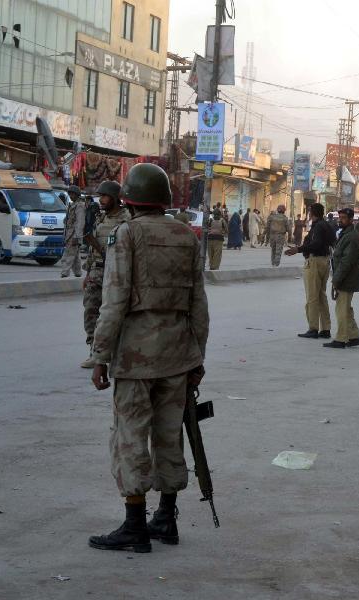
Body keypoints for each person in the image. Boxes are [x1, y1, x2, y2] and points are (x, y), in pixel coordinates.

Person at [88, 162, 209, 553]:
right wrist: (197, 357)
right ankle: (166, 520)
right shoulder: (186, 236)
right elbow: (198, 305)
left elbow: (114, 300)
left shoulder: (126, 234)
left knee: (130, 437)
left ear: (130, 200)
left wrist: (100, 356)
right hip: (178, 355)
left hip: (136, 357)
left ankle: (135, 526)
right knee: (170, 435)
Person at [80, 181, 130, 369]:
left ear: (115, 198)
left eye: (104, 196)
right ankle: (94, 351)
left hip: (116, 272)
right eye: (100, 196)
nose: (101, 200)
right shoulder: (101, 218)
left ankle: (116, 351)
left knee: (114, 313)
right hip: (97, 271)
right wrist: (88, 274)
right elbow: (93, 249)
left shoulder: (126, 219)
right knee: (91, 310)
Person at [286, 203, 334, 339]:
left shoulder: (318, 226)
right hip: (324, 261)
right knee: (321, 296)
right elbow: (331, 241)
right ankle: (326, 329)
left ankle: (313, 328)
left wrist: (298, 249)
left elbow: (316, 244)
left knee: (312, 297)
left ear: (312, 213)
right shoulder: (326, 225)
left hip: (314, 262)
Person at [324, 207, 359, 349]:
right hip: (344, 277)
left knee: (341, 309)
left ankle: (341, 339)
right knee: (346, 309)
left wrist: (336, 280)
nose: (340, 220)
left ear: (351, 220)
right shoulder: (346, 234)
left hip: (346, 279)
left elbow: (346, 262)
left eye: (344, 218)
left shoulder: (351, 237)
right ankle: (353, 336)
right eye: (340, 217)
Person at [58, 186, 85, 277]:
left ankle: (64, 272)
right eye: (70, 194)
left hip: (74, 235)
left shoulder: (80, 205)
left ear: (77, 194)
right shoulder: (72, 205)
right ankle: (78, 273)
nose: (71, 196)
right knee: (75, 255)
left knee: (68, 255)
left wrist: (77, 237)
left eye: (73, 194)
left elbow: (80, 222)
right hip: (69, 233)